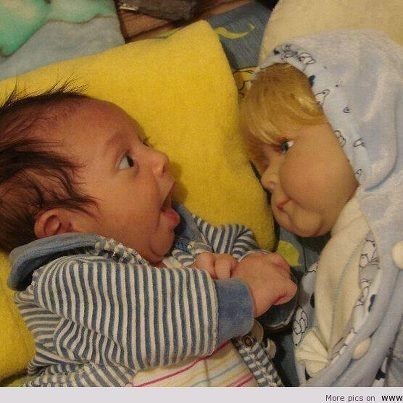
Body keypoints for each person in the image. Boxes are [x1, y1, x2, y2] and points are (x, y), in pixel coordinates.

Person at [1, 86, 296, 386]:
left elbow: (251, 262)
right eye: (127, 161)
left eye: (146, 144)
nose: (161, 158)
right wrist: (247, 294)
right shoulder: (64, 278)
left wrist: (257, 269)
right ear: (62, 228)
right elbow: (153, 322)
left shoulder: (186, 240)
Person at [240, 29, 403, 386]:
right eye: (262, 164)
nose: (267, 179)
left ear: (361, 123)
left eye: (283, 147)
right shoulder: (329, 264)